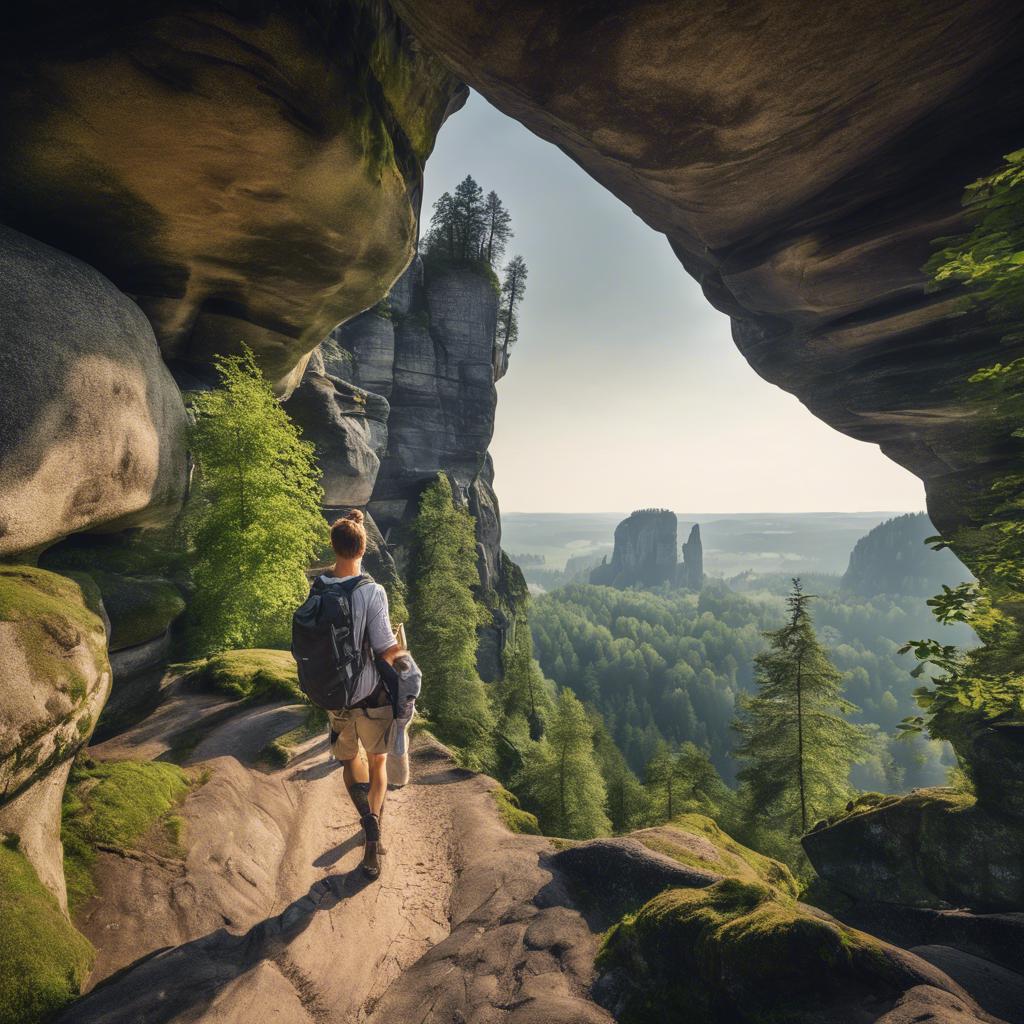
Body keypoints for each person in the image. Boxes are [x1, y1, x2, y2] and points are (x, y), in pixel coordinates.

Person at [321, 509, 406, 880]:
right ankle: (372, 839)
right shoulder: (372, 592)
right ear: (363, 547)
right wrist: (408, 669)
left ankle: (365, 819)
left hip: (337, 698)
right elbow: (386, 645)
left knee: (348, 762)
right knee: (377, 764)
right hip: (371, 697)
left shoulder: (318, 588)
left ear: (334, 547)